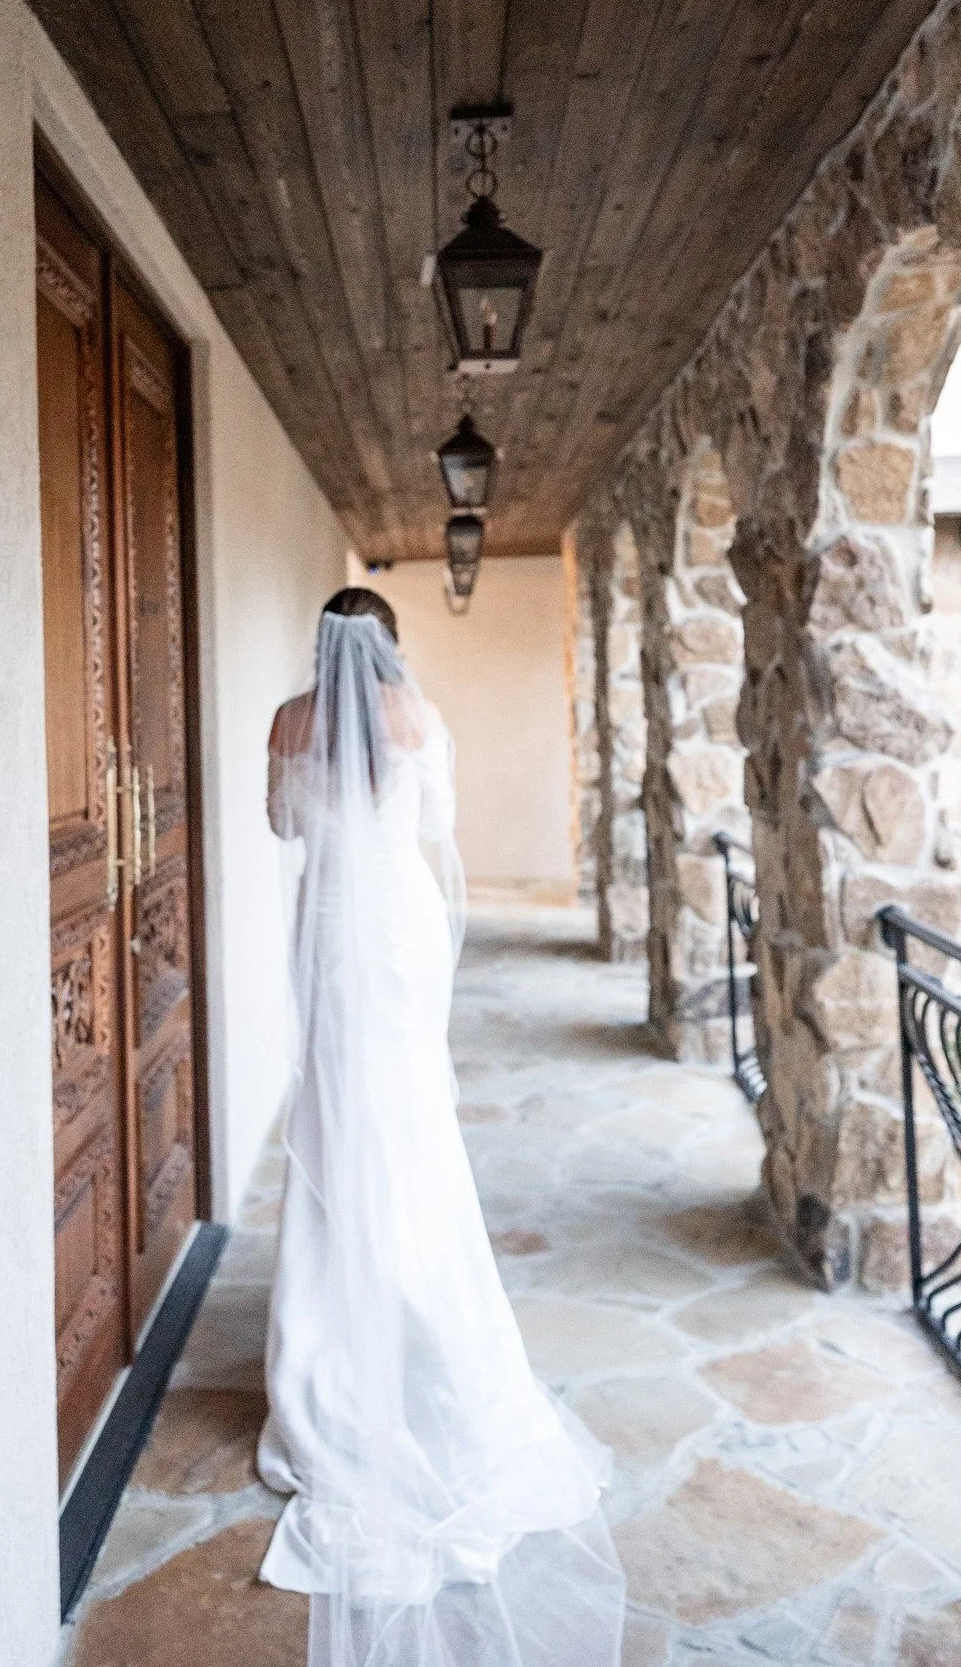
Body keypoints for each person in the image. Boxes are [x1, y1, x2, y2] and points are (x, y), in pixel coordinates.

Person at [256, 587, 625, 1667]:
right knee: (411, 1123)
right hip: (399, 934)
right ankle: (425, 1322)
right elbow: (434, 831)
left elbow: (281, 825)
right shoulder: (417, 714)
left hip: (329, 931)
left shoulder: (287, 720)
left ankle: (335, 1342)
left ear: (323, 644)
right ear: (389, 645)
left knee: (339, 1123)